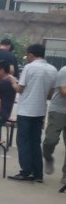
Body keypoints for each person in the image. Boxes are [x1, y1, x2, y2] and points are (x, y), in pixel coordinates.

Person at [7, 43, 58, 184]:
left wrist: (13, 81)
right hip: (40, 110)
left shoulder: (29, 67)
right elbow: (51, 92)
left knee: (23, 141)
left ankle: (25, 171)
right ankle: (38, 173)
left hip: (26, 110)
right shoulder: (53, 69)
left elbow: (20, 88)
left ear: (31, 55)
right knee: (35, 141)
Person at [41, 61, 66, 190]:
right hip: (58, 111)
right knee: (51, 140)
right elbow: (63, 91)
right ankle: (48, 157)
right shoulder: (64, 71)